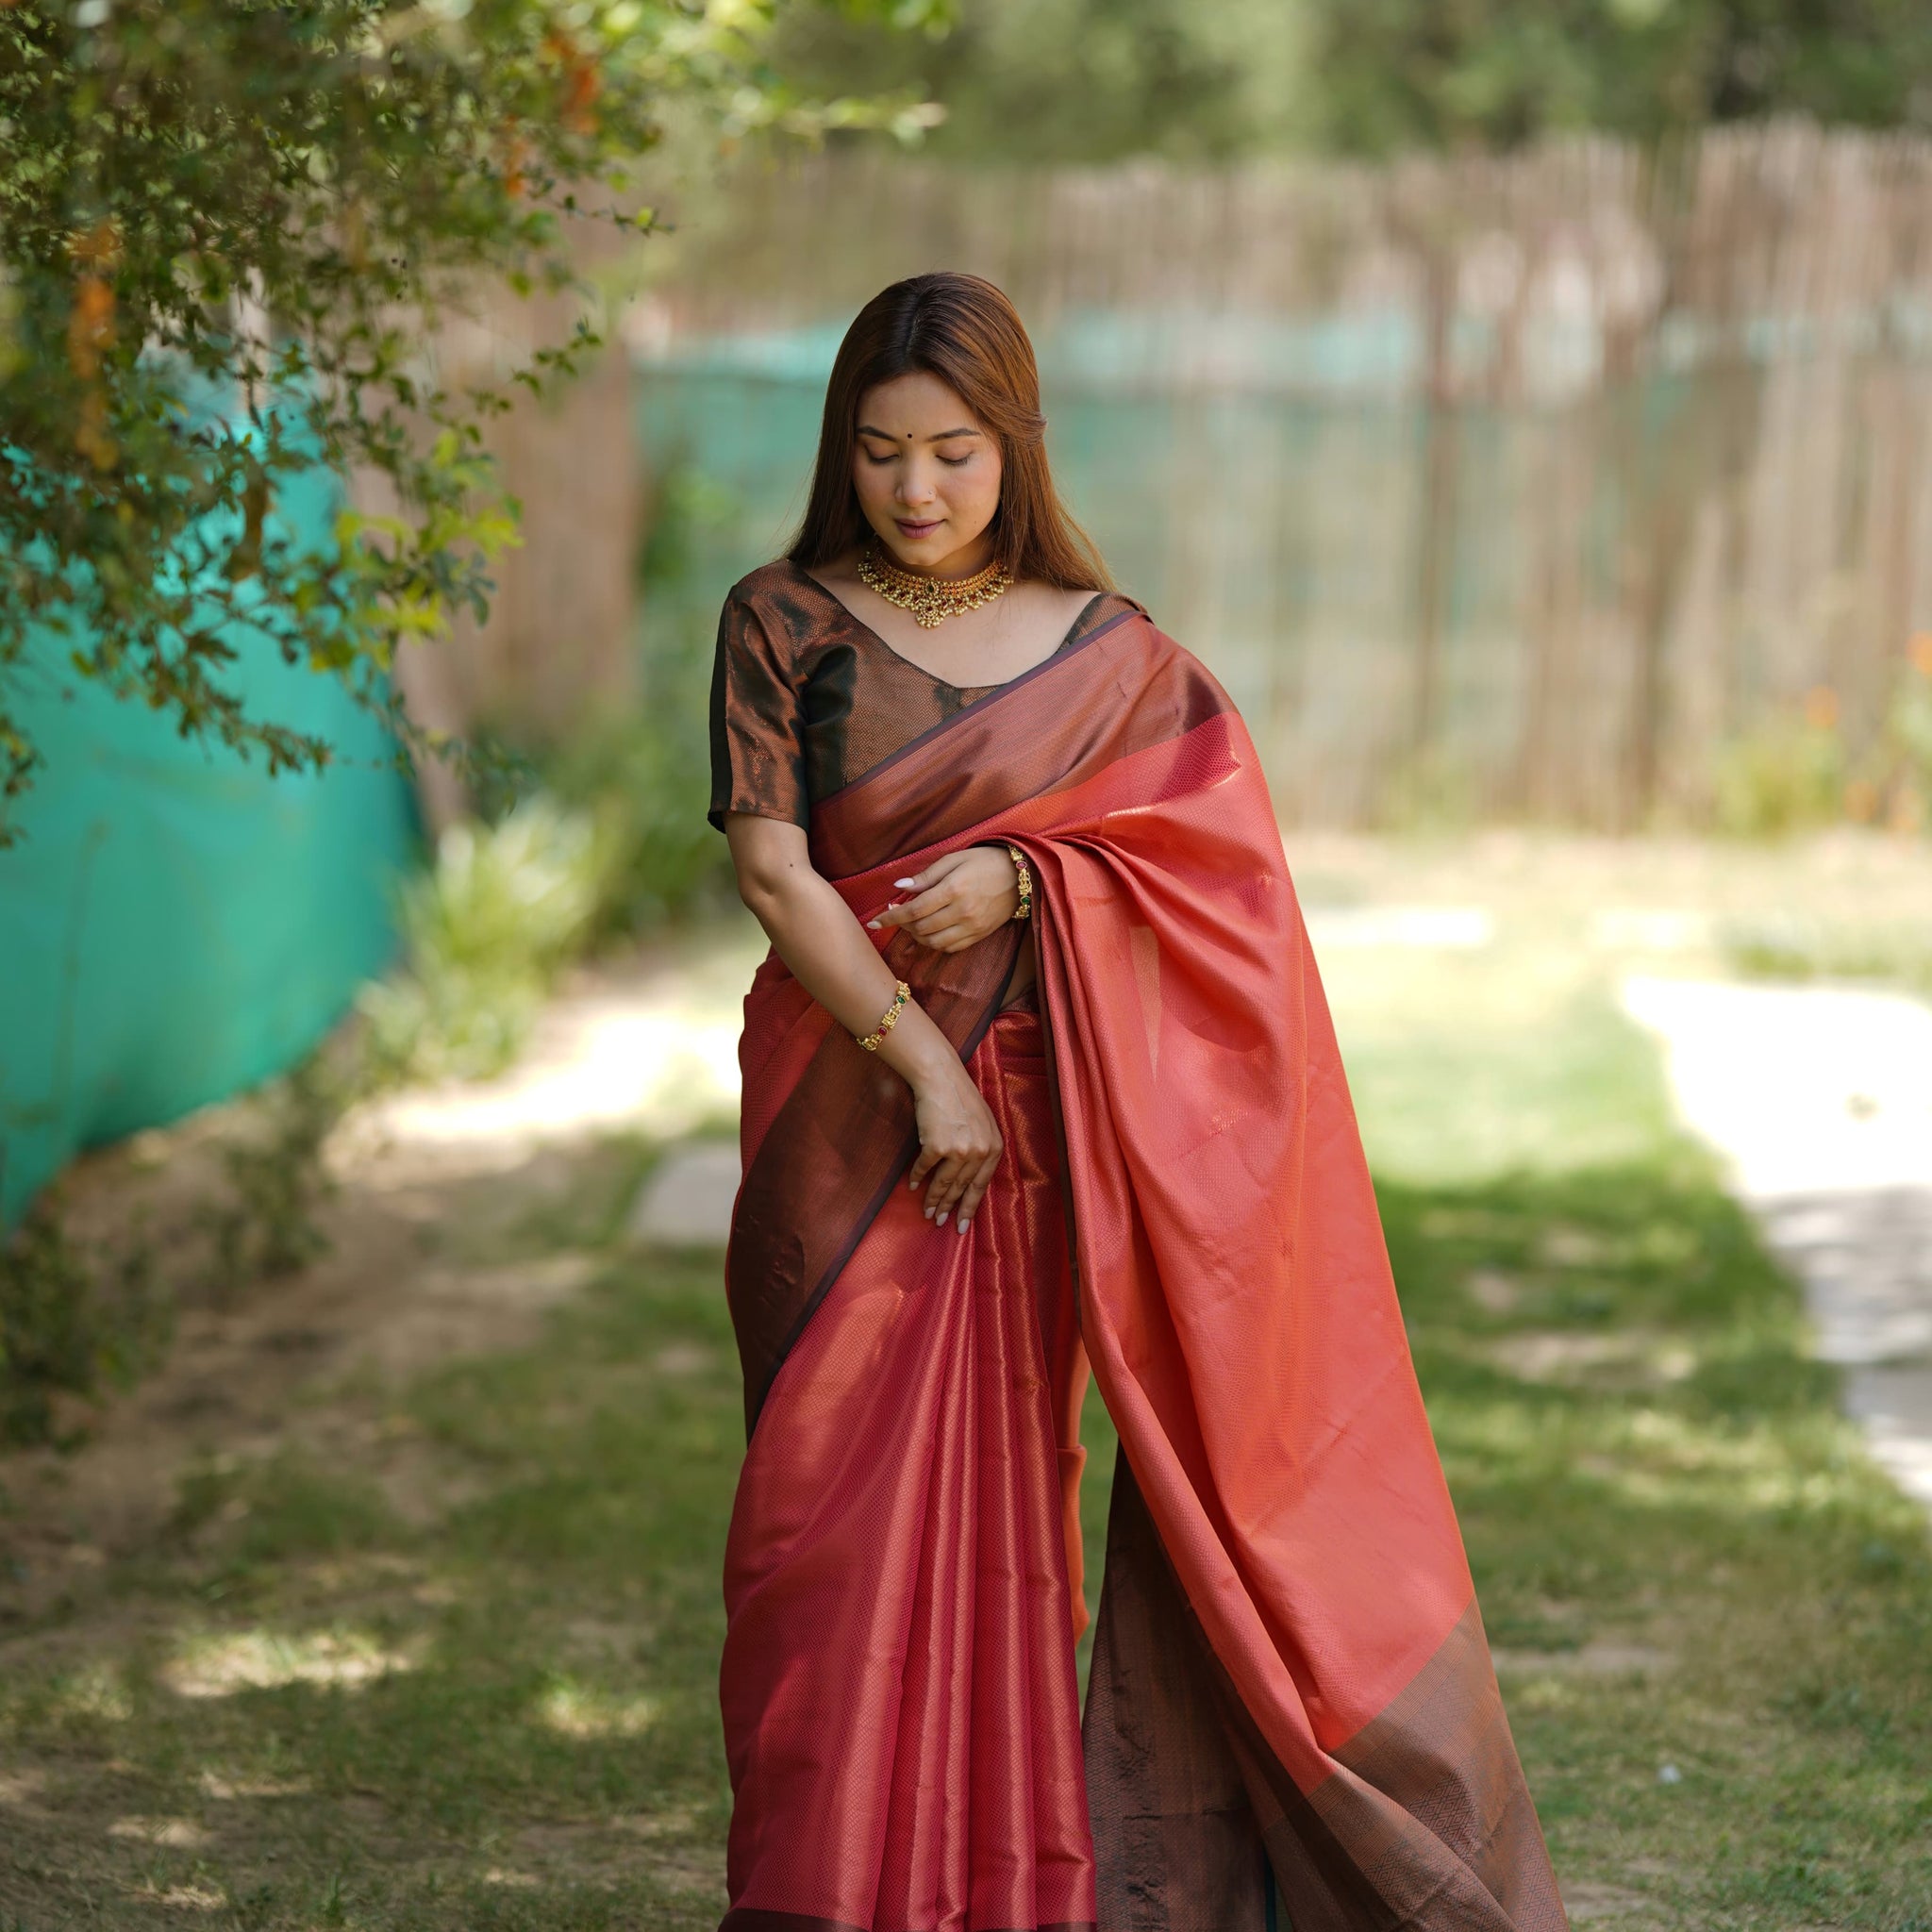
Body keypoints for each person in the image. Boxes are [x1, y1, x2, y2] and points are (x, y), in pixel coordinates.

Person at [707, 271, 1569, 1932]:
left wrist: (1033, 881)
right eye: (882, 453)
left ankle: (1018, 1884)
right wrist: (928, 1064)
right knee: (821, 1532)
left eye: (954, 452)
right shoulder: (782, 618)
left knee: (1020, 1503)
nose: (917, 490)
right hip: (854, 1120)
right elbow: (772, 867)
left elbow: (1216, 872)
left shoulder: (1114, 657)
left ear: (1015, 446)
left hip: (1053, 1139)